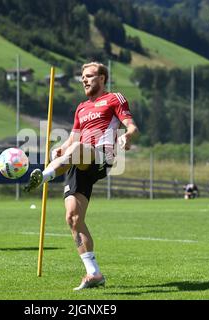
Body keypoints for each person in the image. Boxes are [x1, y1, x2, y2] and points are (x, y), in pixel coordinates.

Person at [24, 62, 139, 290]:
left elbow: (132, 126)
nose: (84, 80)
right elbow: (71, 139)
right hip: (78, 160)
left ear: (103, 78)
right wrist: (59, 149)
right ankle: (94, 274)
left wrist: (127, 137)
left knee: (76, 150)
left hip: (99, 157)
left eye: (89, 76)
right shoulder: (81, 108)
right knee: (73, 219)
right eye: (82, 77)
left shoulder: (114, 98)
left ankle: (44, 176)